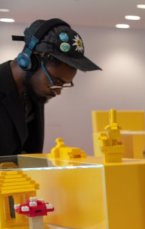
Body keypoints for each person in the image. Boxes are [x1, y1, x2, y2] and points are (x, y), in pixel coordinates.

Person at [0, 18, 101, 156]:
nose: (58, 91)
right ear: (30, 61)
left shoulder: (34, 93)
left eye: (63, 84)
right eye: (55, 81)